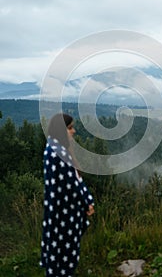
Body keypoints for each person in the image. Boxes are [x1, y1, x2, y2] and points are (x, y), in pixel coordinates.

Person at [40, 113, 95, 277]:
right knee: (64, 254)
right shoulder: (59, 153)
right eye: (70, 128)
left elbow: (73, 180)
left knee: (56, 250)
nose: (74, 131)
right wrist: (87, 202)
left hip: (56, 212)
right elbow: (72, 184)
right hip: (64, 214)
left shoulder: (51, 148)